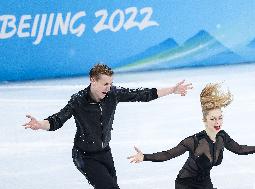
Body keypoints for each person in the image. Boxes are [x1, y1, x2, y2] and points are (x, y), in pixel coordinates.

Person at [22, 63, 193, 189]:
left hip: (105, 152)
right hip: (84, 156)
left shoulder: (113, 94)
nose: (109, 87)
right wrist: (40, 124)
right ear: (93, 81)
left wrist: (171, 90)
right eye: (105, 84)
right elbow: (57, 119)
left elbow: (143, 94)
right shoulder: (78, 100)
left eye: (110, 83)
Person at [128, 83, 255, 189]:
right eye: (213, 119)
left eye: (220, 118)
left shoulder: (222, 137)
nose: (217, 122)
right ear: (204, 120)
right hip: (185, 184)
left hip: (205, 183)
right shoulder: (194, 141)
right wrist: (145, 157)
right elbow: (168, 154)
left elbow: (240, 149)